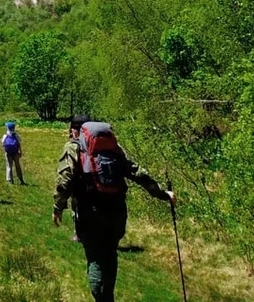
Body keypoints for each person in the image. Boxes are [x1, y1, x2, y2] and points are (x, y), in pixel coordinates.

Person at [53, 115, 177, 302]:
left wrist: (58, 207)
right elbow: (136, 172)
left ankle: (102, 299)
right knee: (110, 254)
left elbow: (65, 180)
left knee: (95, 258)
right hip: (117, 212)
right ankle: (108, 296)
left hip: (90, 213)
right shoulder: (113, 148)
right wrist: (162, 194)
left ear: (73, 130)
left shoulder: (73, 147)